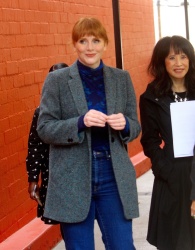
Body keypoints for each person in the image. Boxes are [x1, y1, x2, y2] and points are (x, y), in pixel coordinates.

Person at [37, 17, 141, 250]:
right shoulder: (57, 80)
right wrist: (79, 122)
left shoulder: (121, 79)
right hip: (72, 176)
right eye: (83, 41)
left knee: (122, 246)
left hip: (113, 174)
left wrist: (125, 124)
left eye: (96, 40)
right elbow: (44, 128)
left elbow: (135, 126)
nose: (90, 47)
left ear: (105, 44)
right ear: (74, 45)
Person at [139, 35, 195, 250]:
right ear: (162, 61)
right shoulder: (152, 96)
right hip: (171, 174)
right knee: (173, 240)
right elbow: (150, 140)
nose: (179, 63)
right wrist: (164, 169)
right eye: (172, 57)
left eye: (183, 57)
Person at [26, 62, 68, 224]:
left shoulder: (83, 110)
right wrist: (33, 179)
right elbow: (35, 145)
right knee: (65, 222)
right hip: (53, 175)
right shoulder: (42, 112)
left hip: (80, 173)